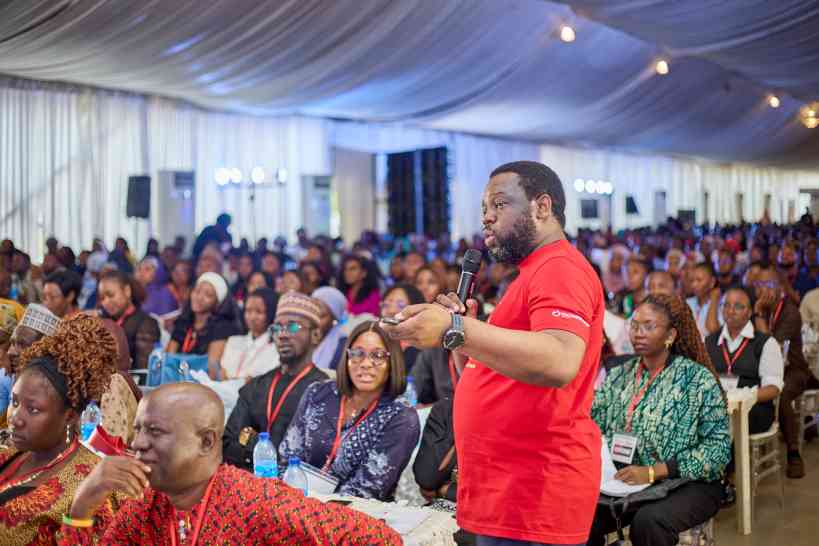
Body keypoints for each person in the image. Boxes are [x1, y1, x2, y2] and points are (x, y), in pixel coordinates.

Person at [384, 161, 604, 545]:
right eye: (484, 208)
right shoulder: (532, 273)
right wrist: (459, 338)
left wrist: (455, 328)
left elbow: (560, 359)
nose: (487, 217)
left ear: (542, 206)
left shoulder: (559, 268)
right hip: (508, 490)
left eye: (499, 204)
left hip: (535, 491)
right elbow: (501, 370)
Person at [59, 383, 402, 545]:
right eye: (137, 430)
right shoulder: (147, 506)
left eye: (155, 431)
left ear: (207, 442)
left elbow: (379, 538)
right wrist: (83, 503)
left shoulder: (258, 502)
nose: (137, 444)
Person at [588, 294, 731, 546]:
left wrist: (654, 471)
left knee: (648, 521)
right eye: (634, 325)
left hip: (689, 482)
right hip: (625, 480)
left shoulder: (696, 380)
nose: (638, 333)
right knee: (579, 514)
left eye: (649, 326)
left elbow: (718, 451)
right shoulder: (619, 375)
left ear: (670, 335)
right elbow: (592, 424)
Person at [2, 314, 121, 545]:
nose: (15, 418)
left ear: (69, 416)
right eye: (14, 402)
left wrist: (80, 514)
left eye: (33, 409)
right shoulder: (11, 456)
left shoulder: (91, 486)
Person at [280, 321, 420, 500]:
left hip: (353, 512)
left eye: (378, 355)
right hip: (295, 500)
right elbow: (287, 459)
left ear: (392, 362)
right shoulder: (317, 393)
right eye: (357, 354)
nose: (366, 363)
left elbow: (367, 490)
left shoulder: (400, 416)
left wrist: (312, 506)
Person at [223, 292, 329, 469]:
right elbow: (228, 445)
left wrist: (252, 443)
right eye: (276, 328)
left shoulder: (324, 391)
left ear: (316, 335)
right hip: (247, 479)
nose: (282, 334)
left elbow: (313, 457)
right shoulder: (257, 386)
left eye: (292, 327)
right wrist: (270, 454)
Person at [752, 263, 819, 478]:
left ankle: (793, 453)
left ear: (780, 287)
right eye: (758, 284)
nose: (762, 289)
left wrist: (758, 315)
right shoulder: (755, 309)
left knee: (779, 395)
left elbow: (770, 348)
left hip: (794, 370)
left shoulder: (790, 312)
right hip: (762, 369)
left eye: (768, 284)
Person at [705, 287, 783, 433]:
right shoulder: (709, 341)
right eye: (726, 305)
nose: (730, 311)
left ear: (749, 312)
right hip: (715, 405)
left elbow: (773, 388)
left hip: (753, 408)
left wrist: (744, 396)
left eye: (738, 306)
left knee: (721, 420)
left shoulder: (765, 343)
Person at [167, 272, 242, 379]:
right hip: (174, 380)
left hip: (203, 383)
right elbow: (168, 359)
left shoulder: (222, 327)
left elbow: (212, 370)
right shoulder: (183, 322)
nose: (199, 297)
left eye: (208, 295)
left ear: (218, 303)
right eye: (197, 291)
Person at [98, 271, 161, 370]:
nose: (105, 302)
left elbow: (144, 370)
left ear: (127, 291)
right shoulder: (102, 320)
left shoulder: (146, 323)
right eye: (102, 298)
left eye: (111, 295)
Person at [219, 288, 280, 380]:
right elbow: (223, 374)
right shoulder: (233, 341)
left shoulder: (276, 348)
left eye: (259, 312)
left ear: (271, 313)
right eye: (248, 311)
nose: (252, 317)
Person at [311, 286, 349, 370]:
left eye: (321, 316)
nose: (314, 320)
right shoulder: (302, 336)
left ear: (334, 318)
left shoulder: (343, 346)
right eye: (312, 313)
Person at [686, 262, 722, 339]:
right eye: (692, 280)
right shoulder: (687, 303)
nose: (694, 285)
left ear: (712, 282)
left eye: (699, 280)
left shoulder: (721, 305)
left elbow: (712, 329)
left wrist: (714, 300)